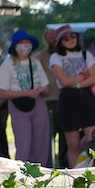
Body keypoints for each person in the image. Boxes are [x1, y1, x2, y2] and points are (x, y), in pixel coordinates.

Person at [49, 24, 95, 167]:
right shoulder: (56, 57)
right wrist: (84, 76)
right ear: (60, 42)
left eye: (73, 36)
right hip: (68, 99)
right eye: (66, 38)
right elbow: (64, 81)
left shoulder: (86, 54)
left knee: (93, 141)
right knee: (73, 144)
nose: (70, 40)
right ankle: (75, 174)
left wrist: (76, 82)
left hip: (86, 97)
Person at [0, 30, 51, 165]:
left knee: (41, 143)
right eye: (21, 43)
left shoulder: (35, 63)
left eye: (27, 43)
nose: (25, 46)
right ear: (15, 46)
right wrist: (25, 93)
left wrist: (42, 90)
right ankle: (22, 175)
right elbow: (2, 92)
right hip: (18, 105)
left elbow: (47, 88)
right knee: (23, 144)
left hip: (37, 103)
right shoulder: (7, 65)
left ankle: (40, 173)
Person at [37, 28, 67, 168]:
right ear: (46, 39)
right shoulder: (40, 57)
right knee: (49, 136)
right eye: (51, 37)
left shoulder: (66, 54)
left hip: (65, 99)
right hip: (48, 102)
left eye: (56, 37)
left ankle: (64, 163)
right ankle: (48, 166)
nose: (54, 40)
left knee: (65, 135)